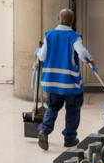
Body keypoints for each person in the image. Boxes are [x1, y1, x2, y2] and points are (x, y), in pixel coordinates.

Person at [36, 8, 96, 150]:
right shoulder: (74, 37)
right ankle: (69, 138)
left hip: (52, 83)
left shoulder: (49, 36)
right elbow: (82, 53)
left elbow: (42, 56)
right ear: (72, 21)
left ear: (58, 18)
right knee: (73, 110)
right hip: (70, 85)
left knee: (52, 107)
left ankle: (44, 131)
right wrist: (91, 62)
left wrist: (37, 52)